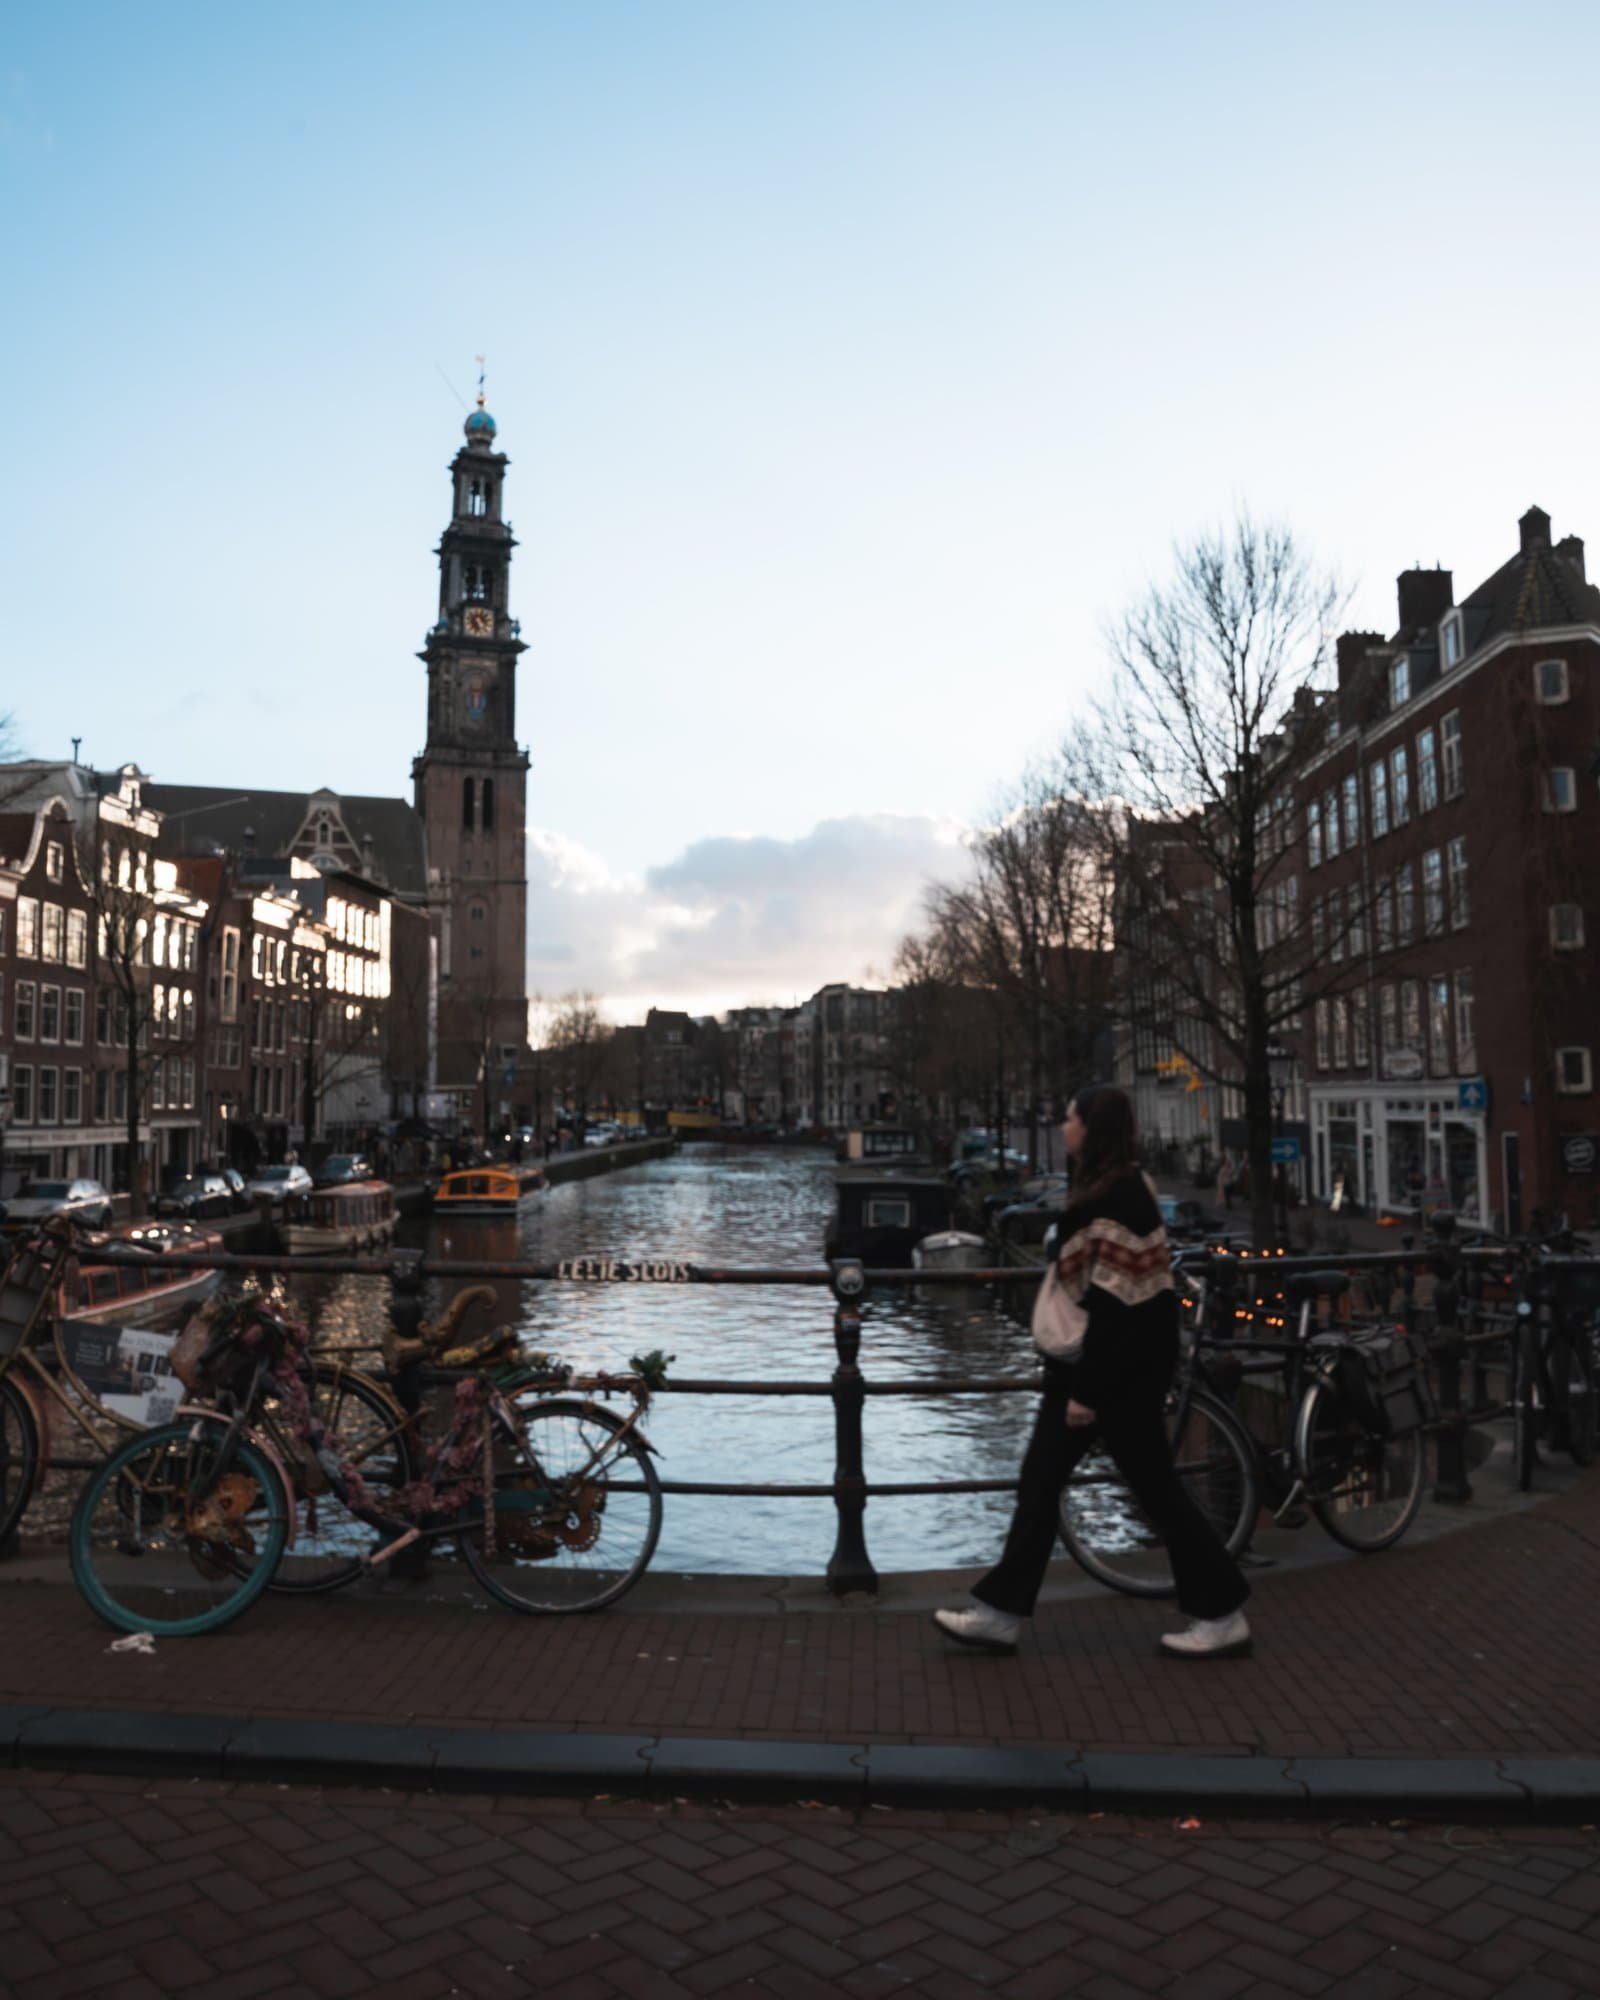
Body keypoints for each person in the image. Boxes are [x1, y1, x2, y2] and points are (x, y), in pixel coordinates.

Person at [934, 1083, 1252, 1661]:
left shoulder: (1115, 1199)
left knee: (1146, 1490)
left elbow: (1117, 1303)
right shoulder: (1121, 1189)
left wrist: (1088, 1391)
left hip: (1107, 1373)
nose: (1061, 1126)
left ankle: (1222, 1612)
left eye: (1069, 1117)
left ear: (1091, 1128)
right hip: (1111, 1368)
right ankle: (1001, 1613)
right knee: (1050, 1487)